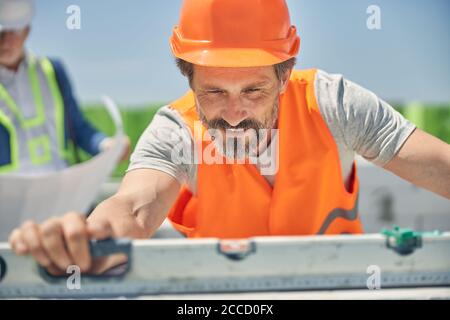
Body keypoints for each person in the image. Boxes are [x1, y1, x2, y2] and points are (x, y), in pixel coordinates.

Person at [9, 0, 450, 275]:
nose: (234, 115)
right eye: (214, 92)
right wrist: (88, 238)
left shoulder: (334, 104)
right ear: (189, 78)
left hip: (339, 287)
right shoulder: (175, 131)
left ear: (285, 74)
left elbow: (436, 166)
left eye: (253, 90)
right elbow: (133, 208)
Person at [0, 0, 130, 175]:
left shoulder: (53, 71)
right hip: (8, 195)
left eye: (12, 31)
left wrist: (105, 144)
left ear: (26, 32)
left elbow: (76, 125)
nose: (5, 40)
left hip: (60, 188)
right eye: (1, 32)